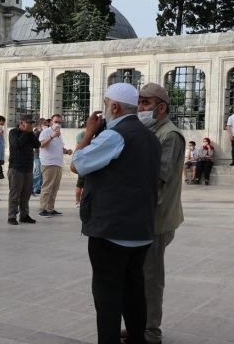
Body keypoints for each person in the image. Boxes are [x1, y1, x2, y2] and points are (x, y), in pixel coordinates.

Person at [71, 83, 161, 344]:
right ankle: (137, 339)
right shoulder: (150, 137)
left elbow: (77, 165)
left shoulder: (114, 136)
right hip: (141, 230)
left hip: (111, 231)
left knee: (107, 295)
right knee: (134, 292)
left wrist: (89, 133)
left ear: (114, 107)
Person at [137, 82, 186, 344]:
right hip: (142, 217)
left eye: (145, 103)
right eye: (139, 103)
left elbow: (160, 177)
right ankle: (139, 326)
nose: (140, 108)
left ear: (161, 107)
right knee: (138, 277)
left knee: (151, 278)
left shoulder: (170, 135)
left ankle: (151, 332)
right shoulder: (149, 131)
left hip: (157, 219)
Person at [7, 116, 40, 225]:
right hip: (16, 168)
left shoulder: (30, 134)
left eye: (31, 123)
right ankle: (12, 216)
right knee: (14, 194)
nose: (31, 125)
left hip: (28, 168)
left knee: (26, 195)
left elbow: (37, 145)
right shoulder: (13, 132)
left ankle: (24, 215)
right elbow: (17, 145)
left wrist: (30, 133)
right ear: (21, 123)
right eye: (28, 123)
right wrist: (26, 132)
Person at [39, 114, 72, 217]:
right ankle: (43, 209)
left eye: (60, 122)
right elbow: (42, 145)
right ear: (51, 122)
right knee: (47, 187)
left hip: (58, 163)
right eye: (56, 122)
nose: (58, 124)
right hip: (48, 163)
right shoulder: (46, 132)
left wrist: (66, 151)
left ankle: (50, 208)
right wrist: (52, 136)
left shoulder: (59, 134)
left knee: (54, 188)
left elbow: (59, 148)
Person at [32, 118, 46, 196]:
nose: (46, 125)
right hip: (37, 155)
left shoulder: (46, 132)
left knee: (41, 172)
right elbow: (35, 144)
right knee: (37, 171)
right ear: (40, 125)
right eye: (44, 124)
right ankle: (35, 188)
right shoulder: (37, 133)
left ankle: (39, 187)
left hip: (43, 155)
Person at [74, 130, 86, 208]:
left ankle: (78, 201)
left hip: (82, 163)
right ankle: (79, 201)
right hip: (84, 163)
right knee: (82, 185)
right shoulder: (82, 134)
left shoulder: (81, 134)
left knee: (81, 185)